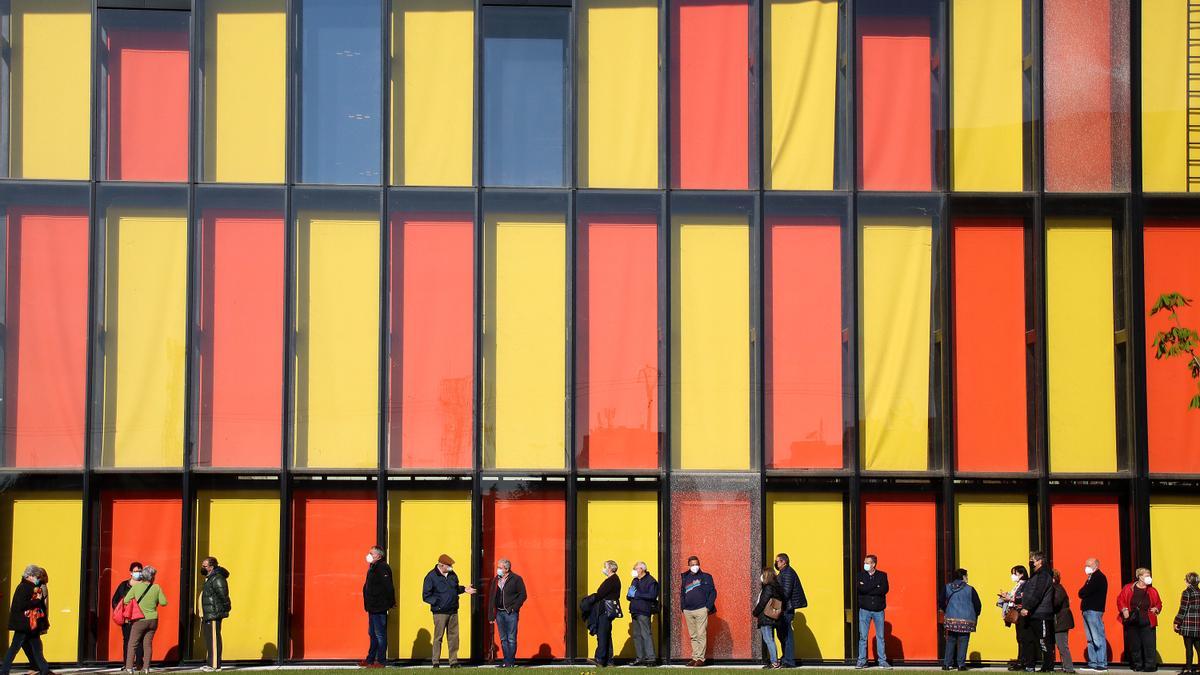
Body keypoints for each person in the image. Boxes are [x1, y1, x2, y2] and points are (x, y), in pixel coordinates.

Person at [422, 554, 476, 668]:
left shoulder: (452, 575)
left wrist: (464, 589)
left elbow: (455, 589)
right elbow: (426, 595)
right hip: (440, 612)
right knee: (438, 637)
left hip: (453, 611)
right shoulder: (431, 576)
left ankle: (453, 661)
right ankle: (436, 662)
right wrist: (438, 603)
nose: (451, 567)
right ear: (441, 565)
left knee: (454, 637)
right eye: (449, 565)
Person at [1, 565, 50, 675]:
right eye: (36, 576)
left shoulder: (28, 586)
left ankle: (44, 669)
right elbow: (21, 606)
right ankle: (4, 671)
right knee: (15, 648)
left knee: (37, 647)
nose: (37, 579)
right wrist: (37, 600)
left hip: (29, 624)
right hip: (24, 624)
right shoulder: (25, 587)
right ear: (30, 576)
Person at [122, 565, 167, 674]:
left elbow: (126, 600)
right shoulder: (156, 587)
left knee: (132, 643)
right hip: (153, 620)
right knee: (148, 644)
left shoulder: (136, 587)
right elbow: (164, 602)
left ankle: (129, 668)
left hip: (139, 620)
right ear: (152, 577)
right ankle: (146, 668)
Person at [1116, 567, 1162, 672]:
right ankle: (1137, 664)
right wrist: (1124, 609)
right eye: (1146, 576)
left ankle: (1150, 666)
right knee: (1135, 644)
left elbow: (1159, 603)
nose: (1149, 578)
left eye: (1149, 575)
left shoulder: (1152, 590)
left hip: (1148, 620)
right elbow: (1120, 600)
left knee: (1149, 644)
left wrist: (1156, 608)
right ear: (1140, 577)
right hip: (1133, 620)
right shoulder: (1128, 588)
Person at [1018, 552, 1056, 673]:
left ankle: (1048, 667)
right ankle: (1030, 665)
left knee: (1043, 640)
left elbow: (1038, 594)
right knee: (1028, 640)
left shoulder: (1044, 575)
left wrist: (1027, 607)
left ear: (1040, 561)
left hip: (1041, 614)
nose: (1030, 562)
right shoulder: (1035, 575)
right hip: (1032, 614)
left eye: (1032, 560)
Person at [940, 568, 981, 671]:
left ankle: (947, 664)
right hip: (966, 620)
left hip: (951, 619)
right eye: (966, 575)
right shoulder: (970, 589)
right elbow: (978, 605)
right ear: (963, 577)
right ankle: (961, 665)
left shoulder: (947, 587)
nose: (967, 577)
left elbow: (940, 601)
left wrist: (947, 610)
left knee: (950, 641)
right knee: (963, 641)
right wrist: (975, 614)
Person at [360, 546, 395, 669]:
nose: (369, 555)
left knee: (380, 634)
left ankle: (381, 661)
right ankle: (370, 659)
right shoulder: (372, 567)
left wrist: (391, 602)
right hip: (372, 607)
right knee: (372, 634)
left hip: (379, 606)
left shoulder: (383, 567)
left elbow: (388, 586)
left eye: (371, 553)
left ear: (378, 556)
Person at [680, 555, 717, 667]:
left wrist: (707, 607)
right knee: (693, 635)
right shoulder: (685, 577)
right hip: (688, 610)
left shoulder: (706, 577)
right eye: (692, 565)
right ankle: (695, 657)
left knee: (701, 634)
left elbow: (713, 592)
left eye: (696, 564)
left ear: (699, 564)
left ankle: (701, 658)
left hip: (701, 609)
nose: (694, 566)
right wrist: (683, 607)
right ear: (689, 566)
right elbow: (682, 593)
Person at [490, 558, 526, 669]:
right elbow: (491, 598)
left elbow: (523, 595)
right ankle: (506, 662)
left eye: (500, 568)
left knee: (511, 638)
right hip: (499, 613)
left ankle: (511, 662)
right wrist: (491, 615)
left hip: (510, 613)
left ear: (506, 569)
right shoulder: (496, 580)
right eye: (498, 567)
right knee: (503, 639)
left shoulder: (516, 579)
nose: (498, 570)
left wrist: (514, 608)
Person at [856, 554, 890, 669]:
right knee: (863, 637)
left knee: (880, 637)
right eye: (865, 562)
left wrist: (868, 588)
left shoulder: (882, 575)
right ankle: (862, 661)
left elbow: (884, 589)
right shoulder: (860, 575)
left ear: (873, 564)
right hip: (864, 610)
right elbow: (860, 588)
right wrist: (875, 587)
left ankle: (882, 661)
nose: (865, 564)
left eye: (867, 563)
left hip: (878, 610)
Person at [774, 553, 808, 668]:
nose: (776, 563)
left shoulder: (788, 573)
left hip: (786, 609)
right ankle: (785, 658)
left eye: (777, 561)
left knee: (787, 635)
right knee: (782, 634)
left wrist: (776, 601)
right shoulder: (783, 572)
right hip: (784, 608)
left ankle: (789, 661)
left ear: (784, 562)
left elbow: (786, 593)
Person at [199, 557, 230, 672]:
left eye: (205, 566)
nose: (203, 568)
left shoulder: (217, 578)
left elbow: (223, 595)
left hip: (214, 613)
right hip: (209, 613)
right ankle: (210, 663)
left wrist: (226, 608)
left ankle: (215, 665)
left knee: (214, 639)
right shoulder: (209, 578)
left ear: (211, 567)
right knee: (210, 639)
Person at [111, 562, 145, 672]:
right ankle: (127, 664)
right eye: (136, 571)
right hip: (127, 620)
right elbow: (115, 600)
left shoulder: (145, 585)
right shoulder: (123, 585)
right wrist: (121, 612)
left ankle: (139, 664)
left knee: (140, 641)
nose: (138, 573)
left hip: (140, 619)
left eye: (140, 571)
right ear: (130, 573)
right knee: (127, 641)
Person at [1078, 558, 1109, 672]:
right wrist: (1083, 592)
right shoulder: (1090, 578)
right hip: (1087, 610)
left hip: (1094, 610)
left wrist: (1083, 592)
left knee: (1098, 637)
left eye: (1088, 565)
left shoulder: (1098, 577)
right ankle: (1093, 662)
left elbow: (1084, 591)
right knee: (1090, 639)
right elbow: (1081, 592)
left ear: (1096, 565)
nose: (1086, 567)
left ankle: (1101, 663)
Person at [998, 565, 1031, 671]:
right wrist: (1006, 595)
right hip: (1017, 613)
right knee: (1019, 638)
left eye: (1015, 573)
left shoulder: (1025, 584)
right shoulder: (1018, 585)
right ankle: (1020, 660)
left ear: (1021, 574)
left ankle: (1023, 661)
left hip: (1022, 614)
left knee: (1023, 638)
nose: (1013, 576)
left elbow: (1022, 597)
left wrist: (1009, 598)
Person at [627, 562, 659, 666]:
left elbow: (652, 595)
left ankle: (651, 658)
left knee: (646, 634)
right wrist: (629, 594)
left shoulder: (651, 581)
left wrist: (636, 594)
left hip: (644, 610)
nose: (634, 570)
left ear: (642, 569)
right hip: (635, 610)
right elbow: (629, 596)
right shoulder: (635, 580)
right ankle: (640, 658)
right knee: (636, 635)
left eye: (635, 568)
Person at [752, 567, 784, 670]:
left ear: (766, 575)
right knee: (770, 639)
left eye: (763, 574)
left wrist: (755, 612)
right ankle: (775, 661)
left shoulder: (768, 587)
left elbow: (763, 602)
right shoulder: (777, 587)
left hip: (766, 617)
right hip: (774, 617)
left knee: (768, 639)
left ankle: (774, 662)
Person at [592, 560, 621, 667]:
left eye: (605, 566)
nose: (603, 569)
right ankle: (609, 660)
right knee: (607, 634)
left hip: (605, 610)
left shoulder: (611, 580)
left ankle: (600, 659)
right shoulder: (615, 579)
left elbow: (600, 593)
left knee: (602, 634)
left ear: (610, 568)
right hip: (609, 611)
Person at [1173, 572, 1200, 674]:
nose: (1184, 580)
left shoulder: (1187, 592)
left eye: (1185, 579)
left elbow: (1183, 609)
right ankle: (1198, 669)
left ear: (1189, 581)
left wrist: (1176, 622)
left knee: (1188, 649)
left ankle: (1188, 669)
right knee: (1199, 648)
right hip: (1198, 625)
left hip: (1188, 625)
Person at [1051, 570, 1076, 674]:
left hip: (1061, 620)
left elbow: (1055, 603)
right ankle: (1065, 667)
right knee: (1060, 645)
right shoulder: (1056, 588)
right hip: (1059, 620)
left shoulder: (1058, 589)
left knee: (1062, 645)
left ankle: (1069, 668)